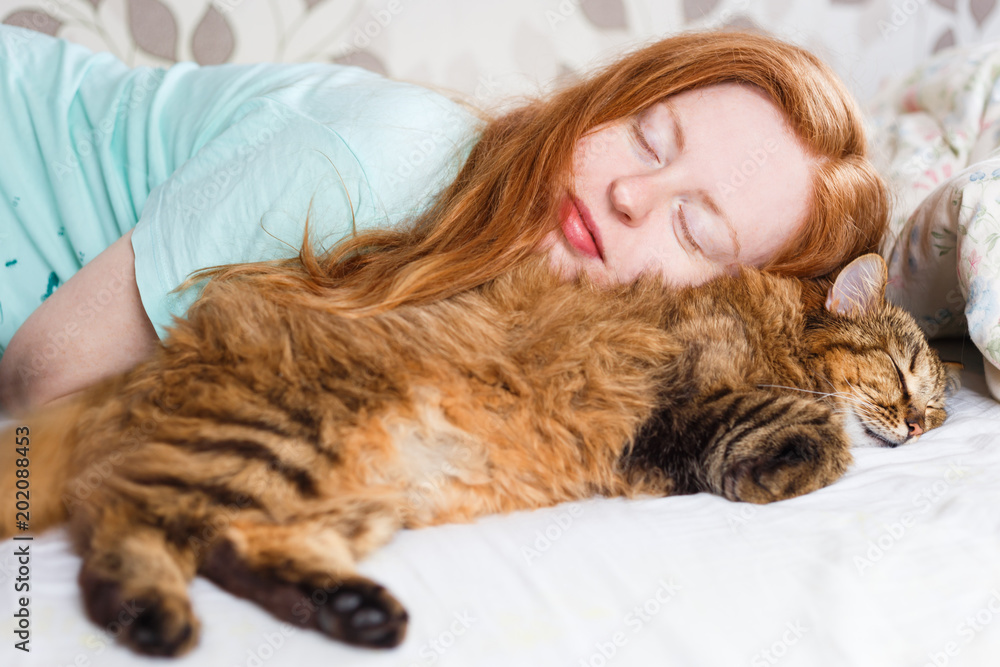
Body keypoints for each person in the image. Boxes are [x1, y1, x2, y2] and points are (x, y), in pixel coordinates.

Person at [0, 26, 889, 416]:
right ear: (603, 106)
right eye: (648, 138)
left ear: (729, 305)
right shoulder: (379, 161)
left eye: (697, 230)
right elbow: (43, 383)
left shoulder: (532, 327)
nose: (632, 196)